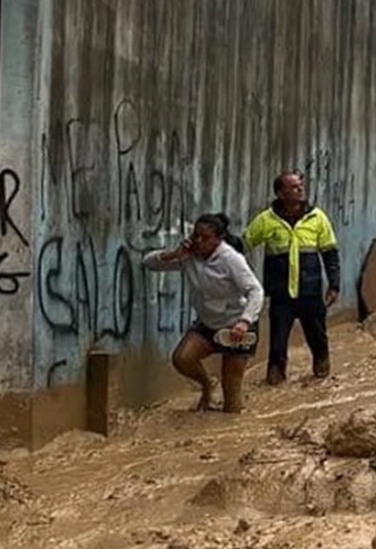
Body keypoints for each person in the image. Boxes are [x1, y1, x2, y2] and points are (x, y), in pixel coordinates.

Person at [144, 213, 264, 413]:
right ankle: (207, 385)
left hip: (237, 327)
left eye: (205, 237)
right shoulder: (188, 257)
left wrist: (244, 321)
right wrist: (174, 254)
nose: (198, 241)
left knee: (232, 402)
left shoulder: (231, 259)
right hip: (208, 324)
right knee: (182, 358)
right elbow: (149, 263)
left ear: (218, 239)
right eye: (196, 236)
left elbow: (255, 291)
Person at [244, 171, 341, 385]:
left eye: (300, 186)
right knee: (277, 343)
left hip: (310, 292)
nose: (300, 189)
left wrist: (334, 285)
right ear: (280, 193)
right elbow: (244, 244)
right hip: (281, 294)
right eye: (294, 187)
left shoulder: (317, 217)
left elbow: (330, 253)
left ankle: (321, 372)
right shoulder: (266, 220)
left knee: (317, 337)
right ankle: (275, 379)